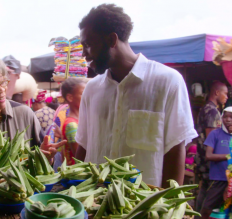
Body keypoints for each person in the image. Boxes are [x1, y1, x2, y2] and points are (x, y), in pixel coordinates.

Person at [70, 4, 198, 188]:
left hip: (142, 207)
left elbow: (175, 148)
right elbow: (83, 145)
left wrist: (168, 203)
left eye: (88, 45)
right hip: (94, 203)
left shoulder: (167, 81)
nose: (83, 54)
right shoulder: (92, 89)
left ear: (112, 40)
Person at [195, 81, 228, 215]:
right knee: (211, 195)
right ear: (216, 93)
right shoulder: (213, 111)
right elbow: (213, 140)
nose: (226, 97)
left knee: (204, 191)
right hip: (210, 162)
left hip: (202, 158)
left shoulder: (205, 108)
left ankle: (196, 215)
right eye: (225, 93)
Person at [199, 107, 232, 219]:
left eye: (231, 117)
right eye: (225, 116)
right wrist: (229, 156)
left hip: (231, 180)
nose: (228, 119)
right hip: (219, 178)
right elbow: (208, 155)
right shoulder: (215, 134)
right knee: (207, 209)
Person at [61, 78, 87, 165]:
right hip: (77, 174)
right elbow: (79, 157)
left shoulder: (78, 120)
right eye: (83, 93)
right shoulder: (72, 125)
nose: (87, 96)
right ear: (70, 97)